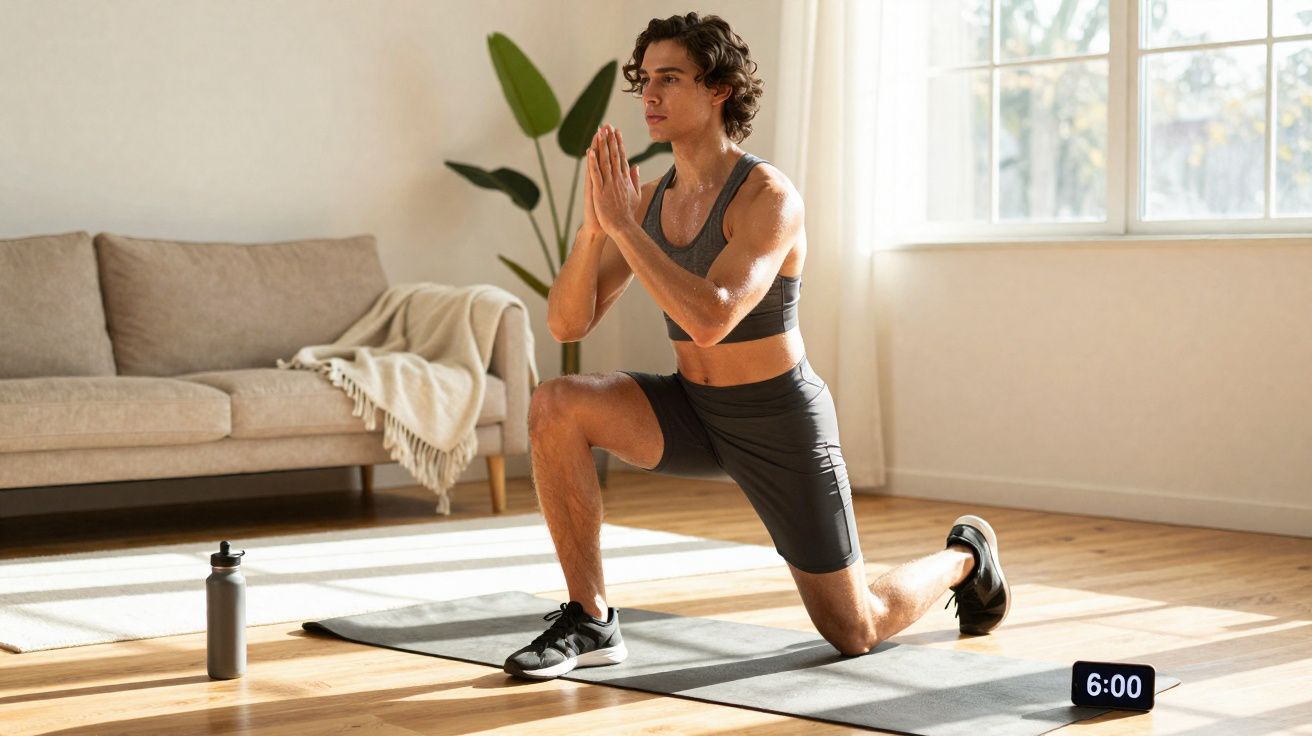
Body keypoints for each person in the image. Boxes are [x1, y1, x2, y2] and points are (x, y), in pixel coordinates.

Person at [504, 12, 1009, 681]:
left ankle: (966, 555)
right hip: (691, 408)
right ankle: (591, 617)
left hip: (779, 420)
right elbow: (567, 326)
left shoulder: (768, 196)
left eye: (671, 78)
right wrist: (597, 232)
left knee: (853, 629)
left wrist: (626, 228)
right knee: (557, 402)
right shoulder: (646, 202)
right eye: (645, 80)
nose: (649, 95)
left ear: (719, 90)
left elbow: (712, 317)